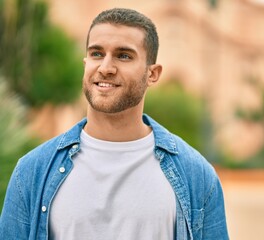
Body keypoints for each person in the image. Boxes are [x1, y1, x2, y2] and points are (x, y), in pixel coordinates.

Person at [0, 8, 229, 240]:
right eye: (97, 54)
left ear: (152, 74)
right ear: (85, 63)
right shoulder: (32, 172)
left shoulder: (196, 176)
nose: (106, 68)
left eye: (124, 56)